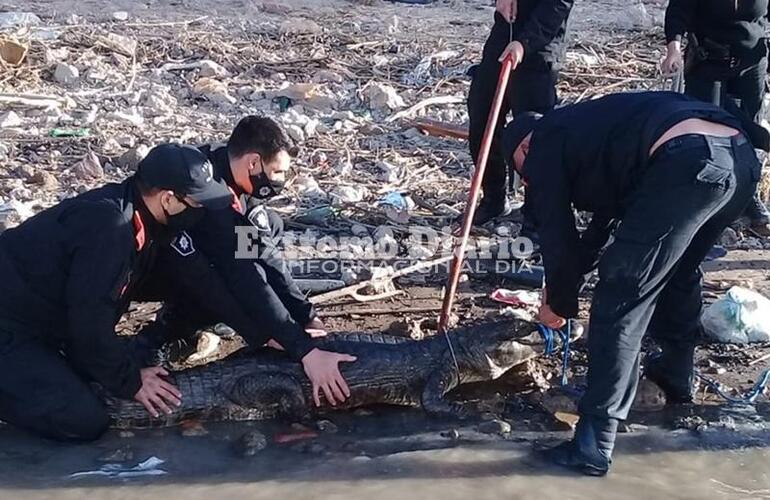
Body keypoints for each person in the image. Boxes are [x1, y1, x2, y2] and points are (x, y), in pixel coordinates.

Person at [500, 91, 765, 475]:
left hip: (686, 160)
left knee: (622, 292)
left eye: (523, 173)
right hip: (738, 161)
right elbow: (598, 229)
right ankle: (674, 381)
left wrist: (558, 303)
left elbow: (556, 231)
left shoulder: (543, 141)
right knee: (677, 272)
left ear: (524, 146)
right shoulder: (592, 134)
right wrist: (566, 285)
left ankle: (593, 444)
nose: (529, 181)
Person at [0, 143, 233, 441]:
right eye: (197, 203)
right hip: (11, 327)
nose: (201, 211)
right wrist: (131, 381)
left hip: (43, 317)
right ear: (167, 199)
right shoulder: (109, 229)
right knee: (83, 420)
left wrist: (272, 332)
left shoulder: (139, 213)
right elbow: (89, 321)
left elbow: (210, 277)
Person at [150, 116, 355, 409]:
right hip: (158, 264)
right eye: (277, 172)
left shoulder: (241, 180)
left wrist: (306, 315)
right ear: (253, 162)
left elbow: (263, 255)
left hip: (210, 253)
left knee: (269, 226)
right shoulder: (210, 196)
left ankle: (196, 325)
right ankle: (156, 341)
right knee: (215, 283)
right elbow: (242, 274)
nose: (280, 181)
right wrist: (301, 350)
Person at [661, 0, 770, 236]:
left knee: (749, 132)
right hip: (708, 61)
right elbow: (678, 12)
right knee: (707, 134)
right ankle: (706, 199)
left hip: (752, 62)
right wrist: (673, 50)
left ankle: (747, 197)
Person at [467, 0, 574, 227]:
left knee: (534, 136)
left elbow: (559, 5)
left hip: (541, 45)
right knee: (481, 114)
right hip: (505, 33)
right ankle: (494, 198)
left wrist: (525, 43)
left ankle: (535, 215)